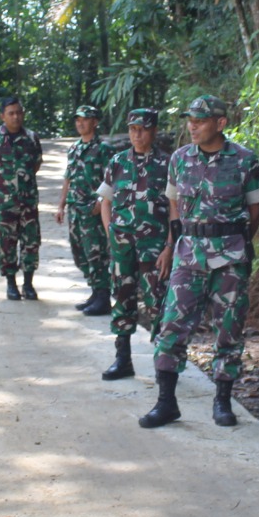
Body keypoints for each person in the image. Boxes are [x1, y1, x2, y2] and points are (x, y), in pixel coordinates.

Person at [139, 95, 259, 429]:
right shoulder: (180, 158)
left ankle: (222, 401)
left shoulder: (245, 160)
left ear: (220, 123)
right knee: (171, 327)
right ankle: (166, 402)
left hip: (230, 257)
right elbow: (174, 204)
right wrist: (173, 244)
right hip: (188, 255)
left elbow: (257, 209)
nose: (192, 126)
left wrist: (235, 241)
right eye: (190, 120)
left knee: (229, 330)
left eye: (200, 121)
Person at [96, 107, 171, 380]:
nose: (137, 135)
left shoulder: (167, 164)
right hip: (122, 246)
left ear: (154, 130)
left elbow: (176, 209)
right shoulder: (117, 161)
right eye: (132, 129)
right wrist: (110, 233)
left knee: (158, 303)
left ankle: (163, 363)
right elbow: (106, 201)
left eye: (143, 129)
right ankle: (123, 359)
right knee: (122, 300)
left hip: (154, 248)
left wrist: (169, 246)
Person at [0, 97, 43, 300]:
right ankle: (11, 284)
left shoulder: (31, 138)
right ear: (2, 116)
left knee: (31, 242)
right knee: (6, 243)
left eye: (18, 112)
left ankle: (28, 284)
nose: (16, 117)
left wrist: (23, 182)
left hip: (28, 201)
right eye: (11, 113)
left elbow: (36, 163)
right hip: (3, 203)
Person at [57, 104, 112, 315]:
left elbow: (111, 179)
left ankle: (103, 296)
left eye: (85, 119)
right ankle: (95, 292)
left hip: (92, 210)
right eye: (78, 119)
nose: (80, 123)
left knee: (96, 254)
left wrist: (101, 203)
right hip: (75, 209)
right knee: (79, 253)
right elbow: (68, 178)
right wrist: (61, 205)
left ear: (95, 122)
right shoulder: (74, 148)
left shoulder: (103, 149)